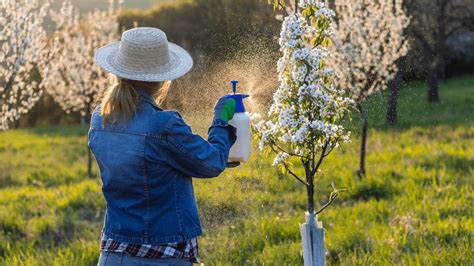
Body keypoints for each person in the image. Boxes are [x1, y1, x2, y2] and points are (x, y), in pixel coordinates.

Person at [90, 27, 237, 265]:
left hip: (112, 254)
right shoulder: (163, 125)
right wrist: (220, 122)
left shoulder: (99, 119)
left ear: (118, 71)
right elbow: (210, 163)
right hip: (160, 256)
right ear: (161, 79)